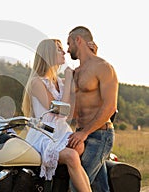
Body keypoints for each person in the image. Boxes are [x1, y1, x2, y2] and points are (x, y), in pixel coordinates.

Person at [22, 39, 91, 192]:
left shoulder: (59, 81)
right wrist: (68, 83)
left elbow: (70, 112)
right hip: (44, 135)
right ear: (48, 54)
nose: (64, 52)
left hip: (60, 132)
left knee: (78, 146)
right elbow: (60, 110)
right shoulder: (37, 82)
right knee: (72, 157)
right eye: (59, 49)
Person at [67, 26, 118, 192]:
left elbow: (110, 106)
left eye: (69, 44)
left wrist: (85, 132)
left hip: (100, 135)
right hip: (80, 136)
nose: (68, 50)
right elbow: (73, 111)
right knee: (98, 188)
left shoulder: (103, 67)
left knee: (77, 187)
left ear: (78, 40)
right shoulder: (75, 73)